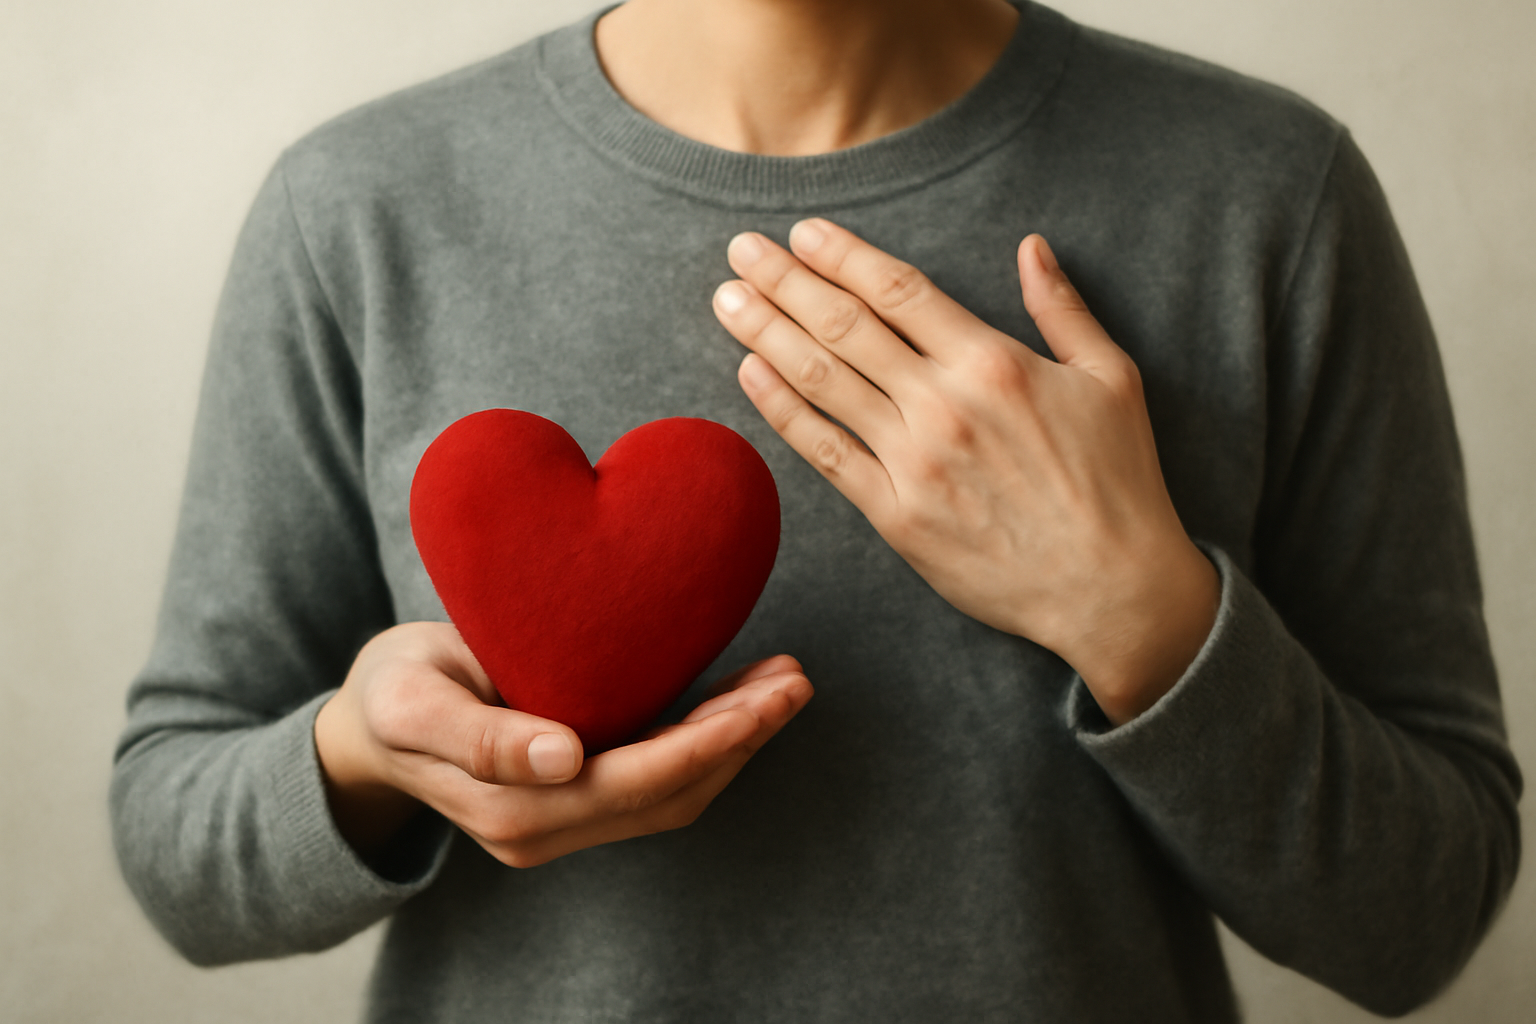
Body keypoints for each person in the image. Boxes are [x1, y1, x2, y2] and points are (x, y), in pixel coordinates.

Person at [111, 0, 1521, 1020]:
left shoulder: (1267, 194)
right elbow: (175, 837)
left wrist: (1137, 605)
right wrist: (371, 756)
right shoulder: (360, 207)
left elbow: (1418, 920)